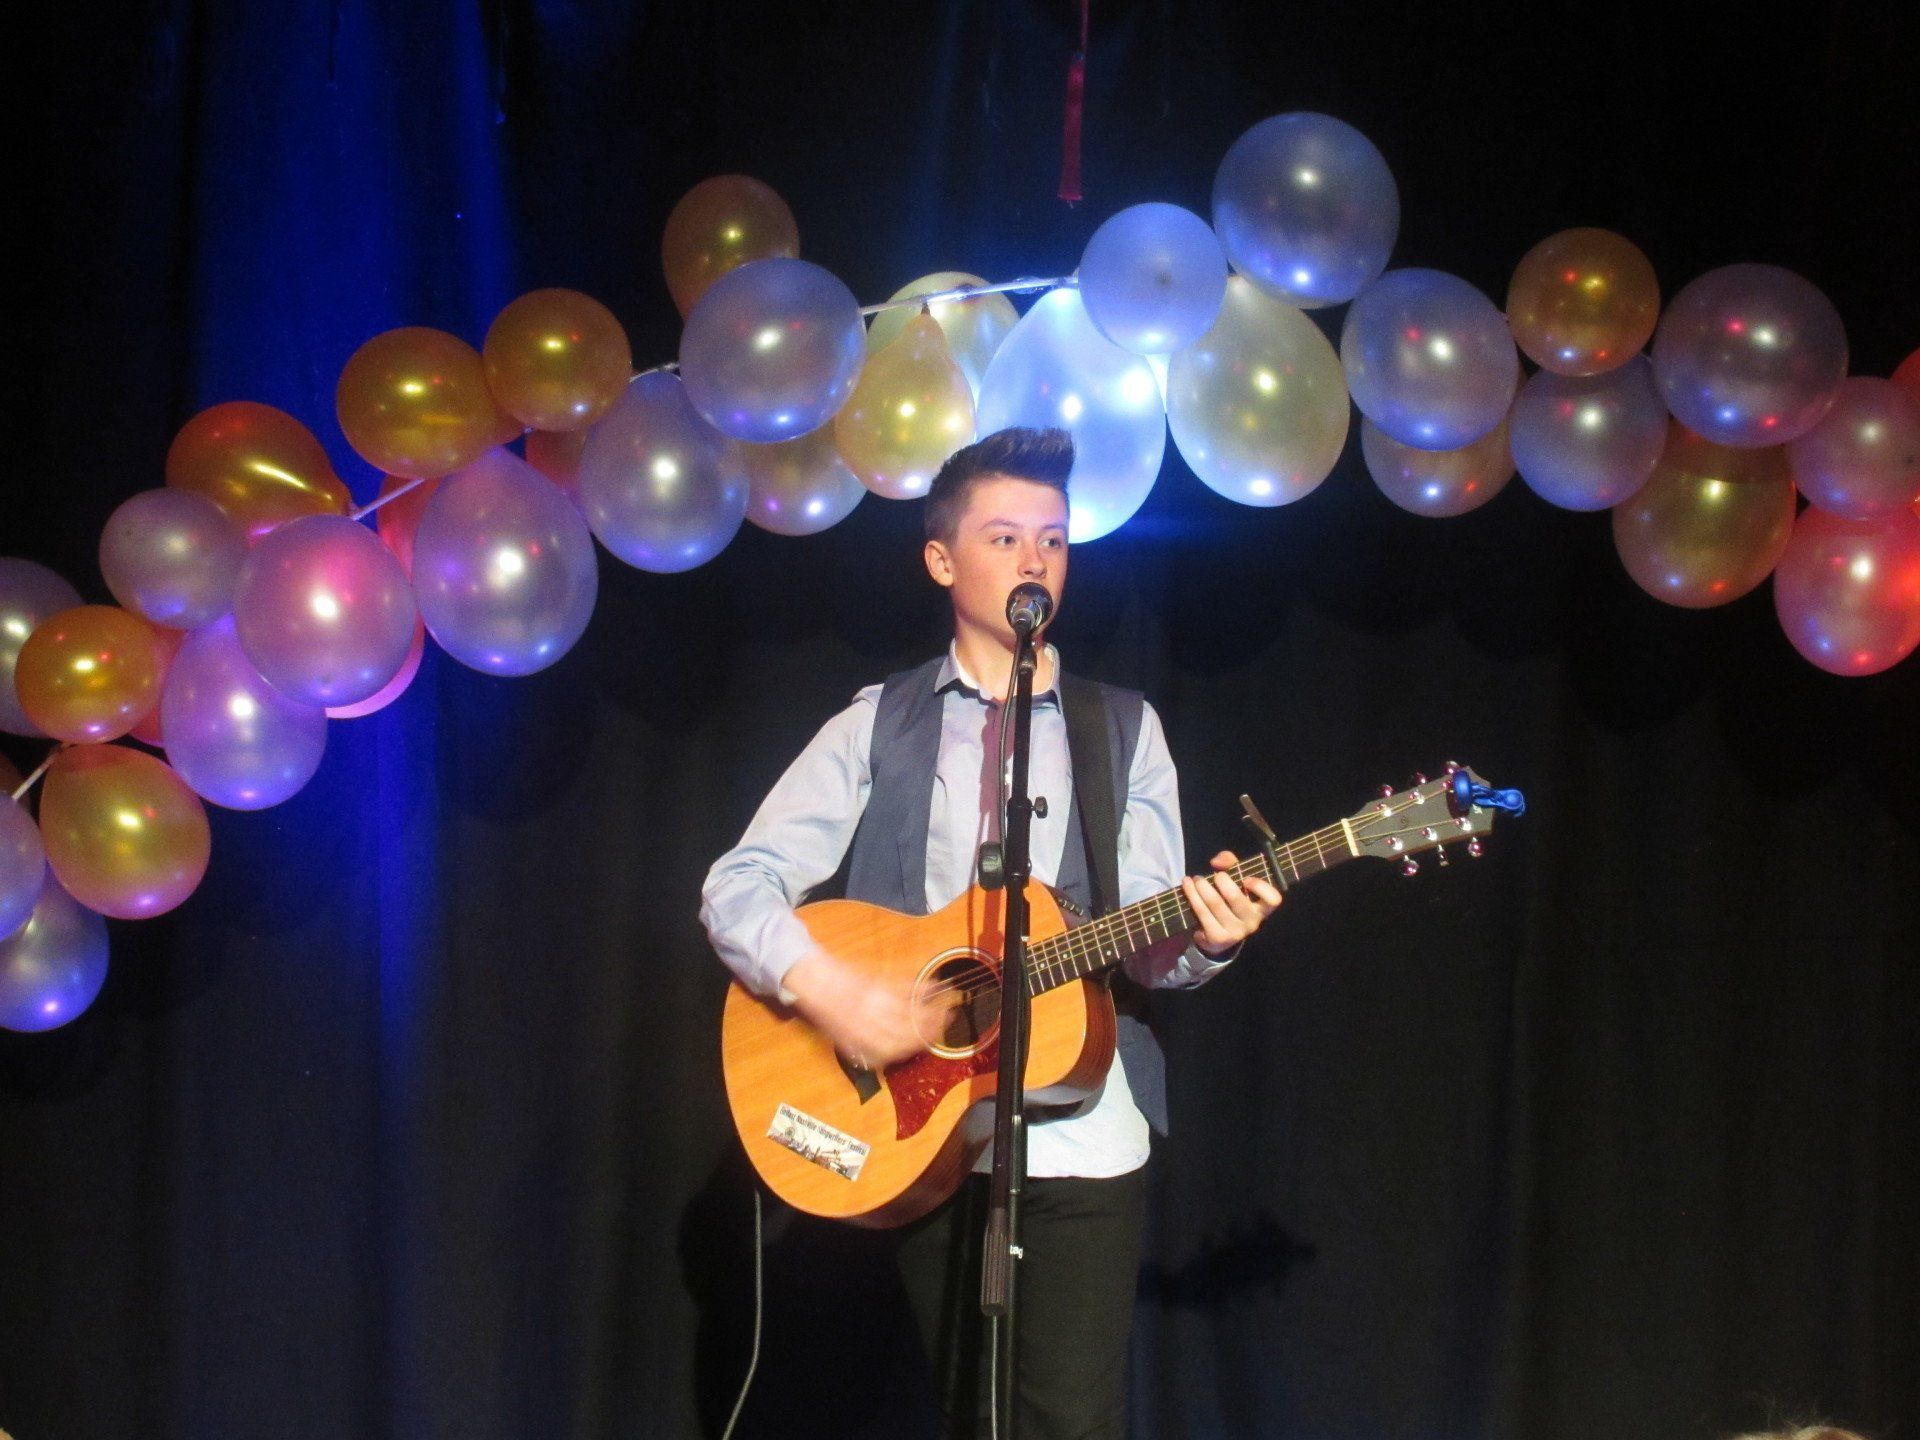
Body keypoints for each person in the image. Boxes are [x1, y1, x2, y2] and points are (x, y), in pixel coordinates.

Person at [701, 425, 1283, 1438]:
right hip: (916, 1129)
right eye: (1005, 537)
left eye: (1053, 540)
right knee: (964, 1417)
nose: (1035, 561)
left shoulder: (1124, 729)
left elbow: (1151, 947)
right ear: (942, 560)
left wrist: (1209, 939)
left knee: (1072, 1425)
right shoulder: (878, 721)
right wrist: (832, 990)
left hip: (1082, 1140)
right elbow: (737, 885)